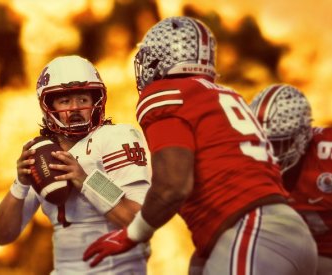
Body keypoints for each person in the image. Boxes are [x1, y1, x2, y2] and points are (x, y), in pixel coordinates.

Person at [82, 16, 318, 274]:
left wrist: (130, 232)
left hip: (249, 229)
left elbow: (170, 188)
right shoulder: (225, 96)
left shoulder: (167, 94)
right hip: (287, 231)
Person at [0, 55, 151, 274]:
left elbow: (140, 222)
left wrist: (88, 181)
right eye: (65, 101)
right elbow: (3, 235)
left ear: (96, 101)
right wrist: (19, 184)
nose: (75, 108)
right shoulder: (42, 153)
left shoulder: (117, 137)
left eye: (83, 99)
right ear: (48, 106)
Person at [251, 83, 330, 275]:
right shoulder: (243, 157)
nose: (268, 152)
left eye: (278, 144)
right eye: (262, 142)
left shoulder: (325, 157)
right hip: (283, 253)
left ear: (303, 137)